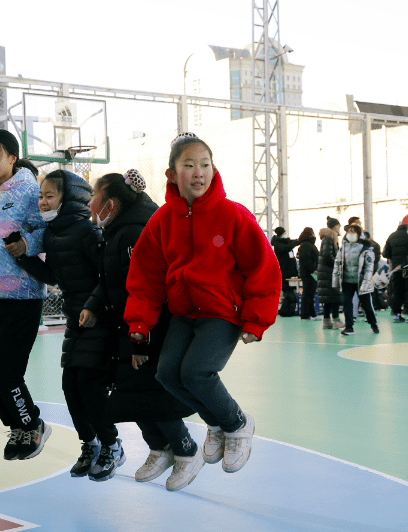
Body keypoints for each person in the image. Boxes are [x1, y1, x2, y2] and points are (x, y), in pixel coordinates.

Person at [126, 132, 282, 484]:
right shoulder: (162, 220)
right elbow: (145, 277)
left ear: (214, 169)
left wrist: (256, 320)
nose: (198, 172)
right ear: (172, 174)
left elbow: (263, 268)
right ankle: (215, 422)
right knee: (167, 374)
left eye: (205, 165)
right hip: (185, 311)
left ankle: (237, 424)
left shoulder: (233, 215)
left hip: (223, 311)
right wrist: (139, 320)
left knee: (196, 372)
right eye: (189, 165)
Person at [88, 169, 198, 491]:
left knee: (152, 396)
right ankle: (159, 447)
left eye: (94, 196)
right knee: (132, 397)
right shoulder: (115, 233)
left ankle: (186, 449)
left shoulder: (136, 233)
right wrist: (94, 306)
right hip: (128, 326)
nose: (90, 203)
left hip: (146, 329)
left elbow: (149, 288)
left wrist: (142, 338)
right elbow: (110, 281)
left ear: (111, 203)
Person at [15, 169, 123, 481]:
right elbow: (54, 277)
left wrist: (94, 306)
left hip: (99, 319)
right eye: (41, 196)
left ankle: (112, 445)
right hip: (75, 319)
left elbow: (107, 275)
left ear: (69, 198)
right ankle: (89, 444)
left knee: (89, 384)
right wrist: (24, 257)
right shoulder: (52, 233)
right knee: (71, 387)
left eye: (50, 196)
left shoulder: (87, 231)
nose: (43, 202)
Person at [0, 129, 51, 461]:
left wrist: (28, 245)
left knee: (5, 371)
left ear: (12, 157)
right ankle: (18, 424)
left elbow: (48, 232)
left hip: (23, 295)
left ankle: (31, 424)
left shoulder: (32, 193)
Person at [332, 223, 379, 336]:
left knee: (367, 305)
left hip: (361, 282)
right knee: (347, 304)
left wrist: (365, 284)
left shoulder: (365, 249)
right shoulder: (343, 248)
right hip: (347, 282)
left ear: (358, 235)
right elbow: (337, 264)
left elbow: (369, 268)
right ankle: (349, 327)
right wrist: (335, 281)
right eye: (349, 232)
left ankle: (373, 324)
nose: (350, 234)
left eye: (353, 232)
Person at [383, 215, 408, 323]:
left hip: (396, 269)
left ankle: (396, 314)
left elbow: (385, 253)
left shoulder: (392, 236)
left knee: (396, 292)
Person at [317, 219, 345, 330]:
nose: (339, 228)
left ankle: (327, 321)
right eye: (338, 225)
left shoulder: (328, 238)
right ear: (334, 226)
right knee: (334, 297)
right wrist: (338, 263)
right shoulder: (329, 238)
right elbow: (327, 255)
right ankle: (336, 319)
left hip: (326, 272)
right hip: (329, 273)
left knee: (328, 298)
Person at [271, 226, 301, 316]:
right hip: (284, 271)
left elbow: (290, 243)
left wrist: (298, 240)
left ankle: (289, 311)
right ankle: (285, 311)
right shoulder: (278, 244)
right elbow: (287, 247)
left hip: (291, 271)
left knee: (291, 291)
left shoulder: (284, 242)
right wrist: (295, 243)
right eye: (284, 233)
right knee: (288, 291)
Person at [296, 227, 320, 321]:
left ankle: (312, 314)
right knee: (307, 293)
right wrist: (314, 270)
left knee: (311, 293)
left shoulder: (306, 245)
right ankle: (305, 315)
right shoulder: (306, 245)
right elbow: (306, 260)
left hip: (310, 273)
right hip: (310, 273)